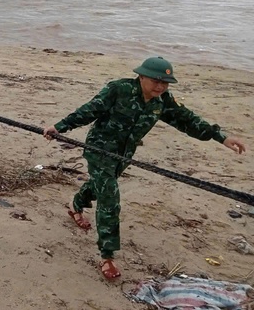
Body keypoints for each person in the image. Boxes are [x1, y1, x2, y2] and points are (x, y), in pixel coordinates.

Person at [43, 56, 247, 281]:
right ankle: (107, 255)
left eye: (165, 82)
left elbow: (188, 120)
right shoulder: (118, 89)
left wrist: (221, 137)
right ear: (141, 76)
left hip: (124, 155)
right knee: (109, 196)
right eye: (155, 81)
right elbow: (89, 110)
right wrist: (60, 127)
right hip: (100, 150)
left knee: (100, 186)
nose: (160, 86)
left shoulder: (163, 101)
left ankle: (76, 205)